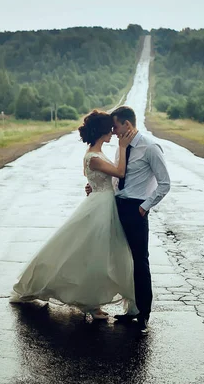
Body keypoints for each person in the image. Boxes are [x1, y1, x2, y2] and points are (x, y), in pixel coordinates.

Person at [10, 110, 137, 320]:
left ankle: (94, 303)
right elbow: (120, 173)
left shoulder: (96, 153)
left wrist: (93, 186)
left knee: (99, 255)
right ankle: (91, 304)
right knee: (94, 255)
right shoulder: (94, 157)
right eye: (109, 131)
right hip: (100, 207)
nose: (113, 134)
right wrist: (123, 148)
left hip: (103, 203)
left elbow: (102, 181)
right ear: (101, 132)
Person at [87, 105, 171, 334]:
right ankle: (131, 310)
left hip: (136, 209)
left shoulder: (150, 147)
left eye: (115, 127)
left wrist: (144, 207)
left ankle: (143, 314)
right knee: (119, 260)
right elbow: (117, 179)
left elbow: (165, 183)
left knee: (139, 261)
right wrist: (97, 188)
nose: (112, 132)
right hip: (116, 206)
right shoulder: (121, 148)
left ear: (128, 125)